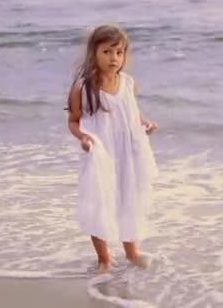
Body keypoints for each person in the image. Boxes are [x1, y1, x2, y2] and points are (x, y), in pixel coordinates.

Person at [66, 24, 158, 274]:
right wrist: (83, 138)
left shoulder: (128, 83)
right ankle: (104, 259)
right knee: (100, 201)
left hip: (127, 153)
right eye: (107, 52)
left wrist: (144, 123)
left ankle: (131, 252)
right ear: (93, 53)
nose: (113, 58)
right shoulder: (83, 88)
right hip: (100, 154)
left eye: (119, 53)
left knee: (129, 197)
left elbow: (130, 111)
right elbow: (73, 121)